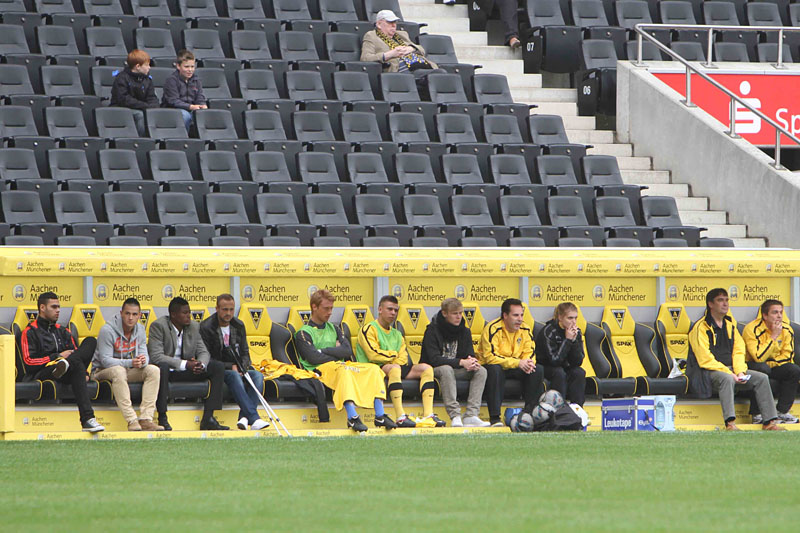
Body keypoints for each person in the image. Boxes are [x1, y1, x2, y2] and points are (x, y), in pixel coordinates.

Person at [294, 289, 397, 432]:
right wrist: (336, 352)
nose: (330, 312)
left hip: (341, 364)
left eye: (331, 308)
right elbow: (313, 358)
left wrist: (323, 350)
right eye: (326, 308)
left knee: (374, 369)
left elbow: (347, 351)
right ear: (314, 307)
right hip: (319, 370)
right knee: (345, 371)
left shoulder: (335, 328)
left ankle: (380, 415)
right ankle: (352, 417)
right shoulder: (303, 332)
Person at [687, 288, 783, 431]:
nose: (725, 304)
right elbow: (704, 359)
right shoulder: (700, 327)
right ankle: (730, 423)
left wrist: (740, 372)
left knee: (762, 378)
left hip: (731, 370)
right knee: (726, 379)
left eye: (727, 300)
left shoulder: (730, 325)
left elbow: (739, 351)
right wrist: (730, 373)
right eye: (720, 300)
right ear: (710, 304)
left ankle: (769, 422)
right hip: (705, 372)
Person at [356, 295, 445, 428]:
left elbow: (403, 357)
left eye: (396, 310)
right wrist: (393, 355)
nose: (393, 313)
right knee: (395, 368)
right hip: (373, 369)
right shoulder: (368, 329)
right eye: (389, 309)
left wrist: (393, 359)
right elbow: (373, 355)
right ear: (380, 309)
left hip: (394, 367)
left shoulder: (397, 334)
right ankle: (400, 416)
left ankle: (428, 415)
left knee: (426, 368)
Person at [20, 292, 104, 432]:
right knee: (75, 364)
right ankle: (88, 419)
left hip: (68, 370)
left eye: (59, 307)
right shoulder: (30, 332)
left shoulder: (64, 331)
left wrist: (84, 373)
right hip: (45, 371)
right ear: (42, 308)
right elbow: (29, 363)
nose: (58, 310)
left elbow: (77, 355)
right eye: (54, 307)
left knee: (90, 341)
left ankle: (66, 364)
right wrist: (57, 357)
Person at [148, 297, 229, 431]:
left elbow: (203, 351)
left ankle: (208, 418)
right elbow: (156, 356)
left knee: (217, 367)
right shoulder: (159, 326)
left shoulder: (194, 326)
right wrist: (185, 364)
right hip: (169, 371)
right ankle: (162, 417)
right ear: (173, 314)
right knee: (162, 367)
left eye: (189, 312)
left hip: (188, 369)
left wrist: (200, 364)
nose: (188, 316)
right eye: (185, 313)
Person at [91, 298, 163, 431]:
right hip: (101, 371)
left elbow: (145, 354)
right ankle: (131, 420)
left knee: (153, 370)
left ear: (139, 315)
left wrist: (142, 361)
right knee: (118, 371)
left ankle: (146, 419)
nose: (130, 318)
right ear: (121, 313)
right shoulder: (107, 330)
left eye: (134, 314)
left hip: (126, 369)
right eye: (127, 313)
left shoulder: (140, 329)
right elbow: (105, 360)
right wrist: (131, 362)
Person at [200, 294, 269, 431]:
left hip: (237, 367)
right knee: (234, 375)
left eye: (231, 309)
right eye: (225, 309)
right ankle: (254, 418)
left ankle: (244, 417)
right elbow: (206, 357)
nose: (228, 313)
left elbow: (245, 353)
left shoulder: (238, 325)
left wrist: (242, 367)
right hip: (218, 369)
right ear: (217, 309)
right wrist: (231, 367)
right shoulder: (206, 327)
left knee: (257, 376)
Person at [420, 298, 489, 427]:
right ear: (444, 313)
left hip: (456, 369)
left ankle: (471, 415)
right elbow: (434, 359)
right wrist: (461, 362)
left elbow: (469, 354)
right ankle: (455, 415)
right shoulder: (432, 330)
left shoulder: (465, 331)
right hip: (432, 370)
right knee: (446, 369)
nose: (459, 317)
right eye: (454, 313)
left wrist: (472, 361)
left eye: (460, 313)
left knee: (480, 370)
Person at [479, 298, 543, 427]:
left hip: (515, 365)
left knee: (537, 369)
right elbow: (490, 357)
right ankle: (495, 418)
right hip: (495, 366)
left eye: (521, 315)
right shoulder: (492, 328)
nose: (520, 319)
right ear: (505, 315)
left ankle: (529, 414)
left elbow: (530, 352)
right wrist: (518, 363)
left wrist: (528, 363)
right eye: (515, 315)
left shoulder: (525, 329)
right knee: (495, 369)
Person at [360, 10, 445, 98]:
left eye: (395, 22)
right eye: (390, 22)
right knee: (439, 74)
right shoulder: (371, 36)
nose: (394, 25)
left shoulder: (402, 34)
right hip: (403, 70)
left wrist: (411, 48)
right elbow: (365, 58)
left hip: (420, 65)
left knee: (440, 75)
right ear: (379, 24)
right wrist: (390, 54)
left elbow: (421, 50)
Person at [741, 299, 800, 424]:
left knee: (793, 370)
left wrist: (771, 363)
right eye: (775, 312)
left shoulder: (787, 329)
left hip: (774, 365)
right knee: (762, 368)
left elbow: (787, 356)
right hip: (752, 365)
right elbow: (758, 357)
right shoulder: (751, 329)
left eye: (781, 312)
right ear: (765, 315)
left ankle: (782, 412)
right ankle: (757, 414)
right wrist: (773, 336)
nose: (779, 316)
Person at [535, 302, 586, 407]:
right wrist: (567, 341)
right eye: (570, 318)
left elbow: (578, 361)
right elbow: (554, 360)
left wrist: (574, 341)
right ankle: (559, 408)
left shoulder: (576, 332)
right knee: (559, 372)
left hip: (564, 366)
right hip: (546, 366)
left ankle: (577, 409)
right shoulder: (548, 331)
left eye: (575, 318)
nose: (574, 322)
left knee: (579, 372)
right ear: (560, 318)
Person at [110, 49, 159, 136]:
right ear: (138, 66)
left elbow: (152, 97)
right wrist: (145, 106)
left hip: (142, 107)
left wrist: (153, 107)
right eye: (147, 65)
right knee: (139, 115)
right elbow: (124, 99)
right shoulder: (121, 78)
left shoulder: (147, 79)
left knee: (155, 113)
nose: (149, 67)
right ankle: (141, 140)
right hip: (122, 108)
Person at [161, 49, 207, 132]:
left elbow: (200, 97)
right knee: (185, 116)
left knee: (203, 114)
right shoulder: (171, 80)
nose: (190, 70)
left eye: (192, 67)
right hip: (174, 110)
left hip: (191, 109)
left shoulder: (196, 80)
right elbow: (173, 101)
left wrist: (202, 105)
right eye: (186, 67)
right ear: (178, 66)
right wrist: (190, 107)